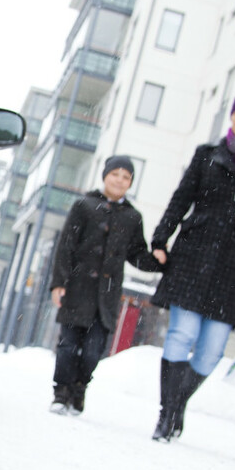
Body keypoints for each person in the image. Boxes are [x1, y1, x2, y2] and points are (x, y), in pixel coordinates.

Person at [149, 89, 235, 442]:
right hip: (193, 252)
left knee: (212, 350)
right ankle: (166, 416)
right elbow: (181, 198)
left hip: (232, 262)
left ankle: (177, 403)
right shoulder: (206, 156)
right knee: (182, 334)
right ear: (232, 116)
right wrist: (160, 238)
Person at [49, 155, 162, 415]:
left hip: (106, 297)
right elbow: (66, 246)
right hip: (77, 290)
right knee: (67, 346)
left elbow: (137, 254)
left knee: (93, 350)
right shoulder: (84, 206)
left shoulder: (133, 217)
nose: (120, 180)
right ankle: (61, 392)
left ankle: (79, 389)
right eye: (116, 174)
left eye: (126, 177)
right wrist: (59, 283)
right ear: (105, 176)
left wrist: (158, 262)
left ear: (131, 182)